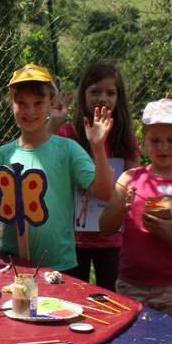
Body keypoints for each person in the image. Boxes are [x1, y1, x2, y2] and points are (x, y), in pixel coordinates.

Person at [0, 64, 113, 270]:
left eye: (38, 103)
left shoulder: (68, 149)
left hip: (59, 264)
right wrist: (10, 205)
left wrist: (98, 149)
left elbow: (105, 192)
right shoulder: (3, 154)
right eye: (22, 103)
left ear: (52, 103)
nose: (30, 111)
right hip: (13, 261)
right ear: (12, 102)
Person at [99, 99, 172, 324]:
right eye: (155, 140)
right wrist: (120, 208)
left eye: (171, 140)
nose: (163, 147)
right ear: (144, 139)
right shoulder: (130, 179)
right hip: (132, 285)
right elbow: (105, 228)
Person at [56, 59, 140, 290]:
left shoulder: (123, 135)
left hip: (112, 235)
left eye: (110, 92)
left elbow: (135, 174)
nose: (103, 98)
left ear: (119, 98)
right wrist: (55, 121)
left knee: (112, 295)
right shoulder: (68, 132)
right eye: (95, 91)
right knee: (73, 293)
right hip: (74, 237)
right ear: (82, 95)